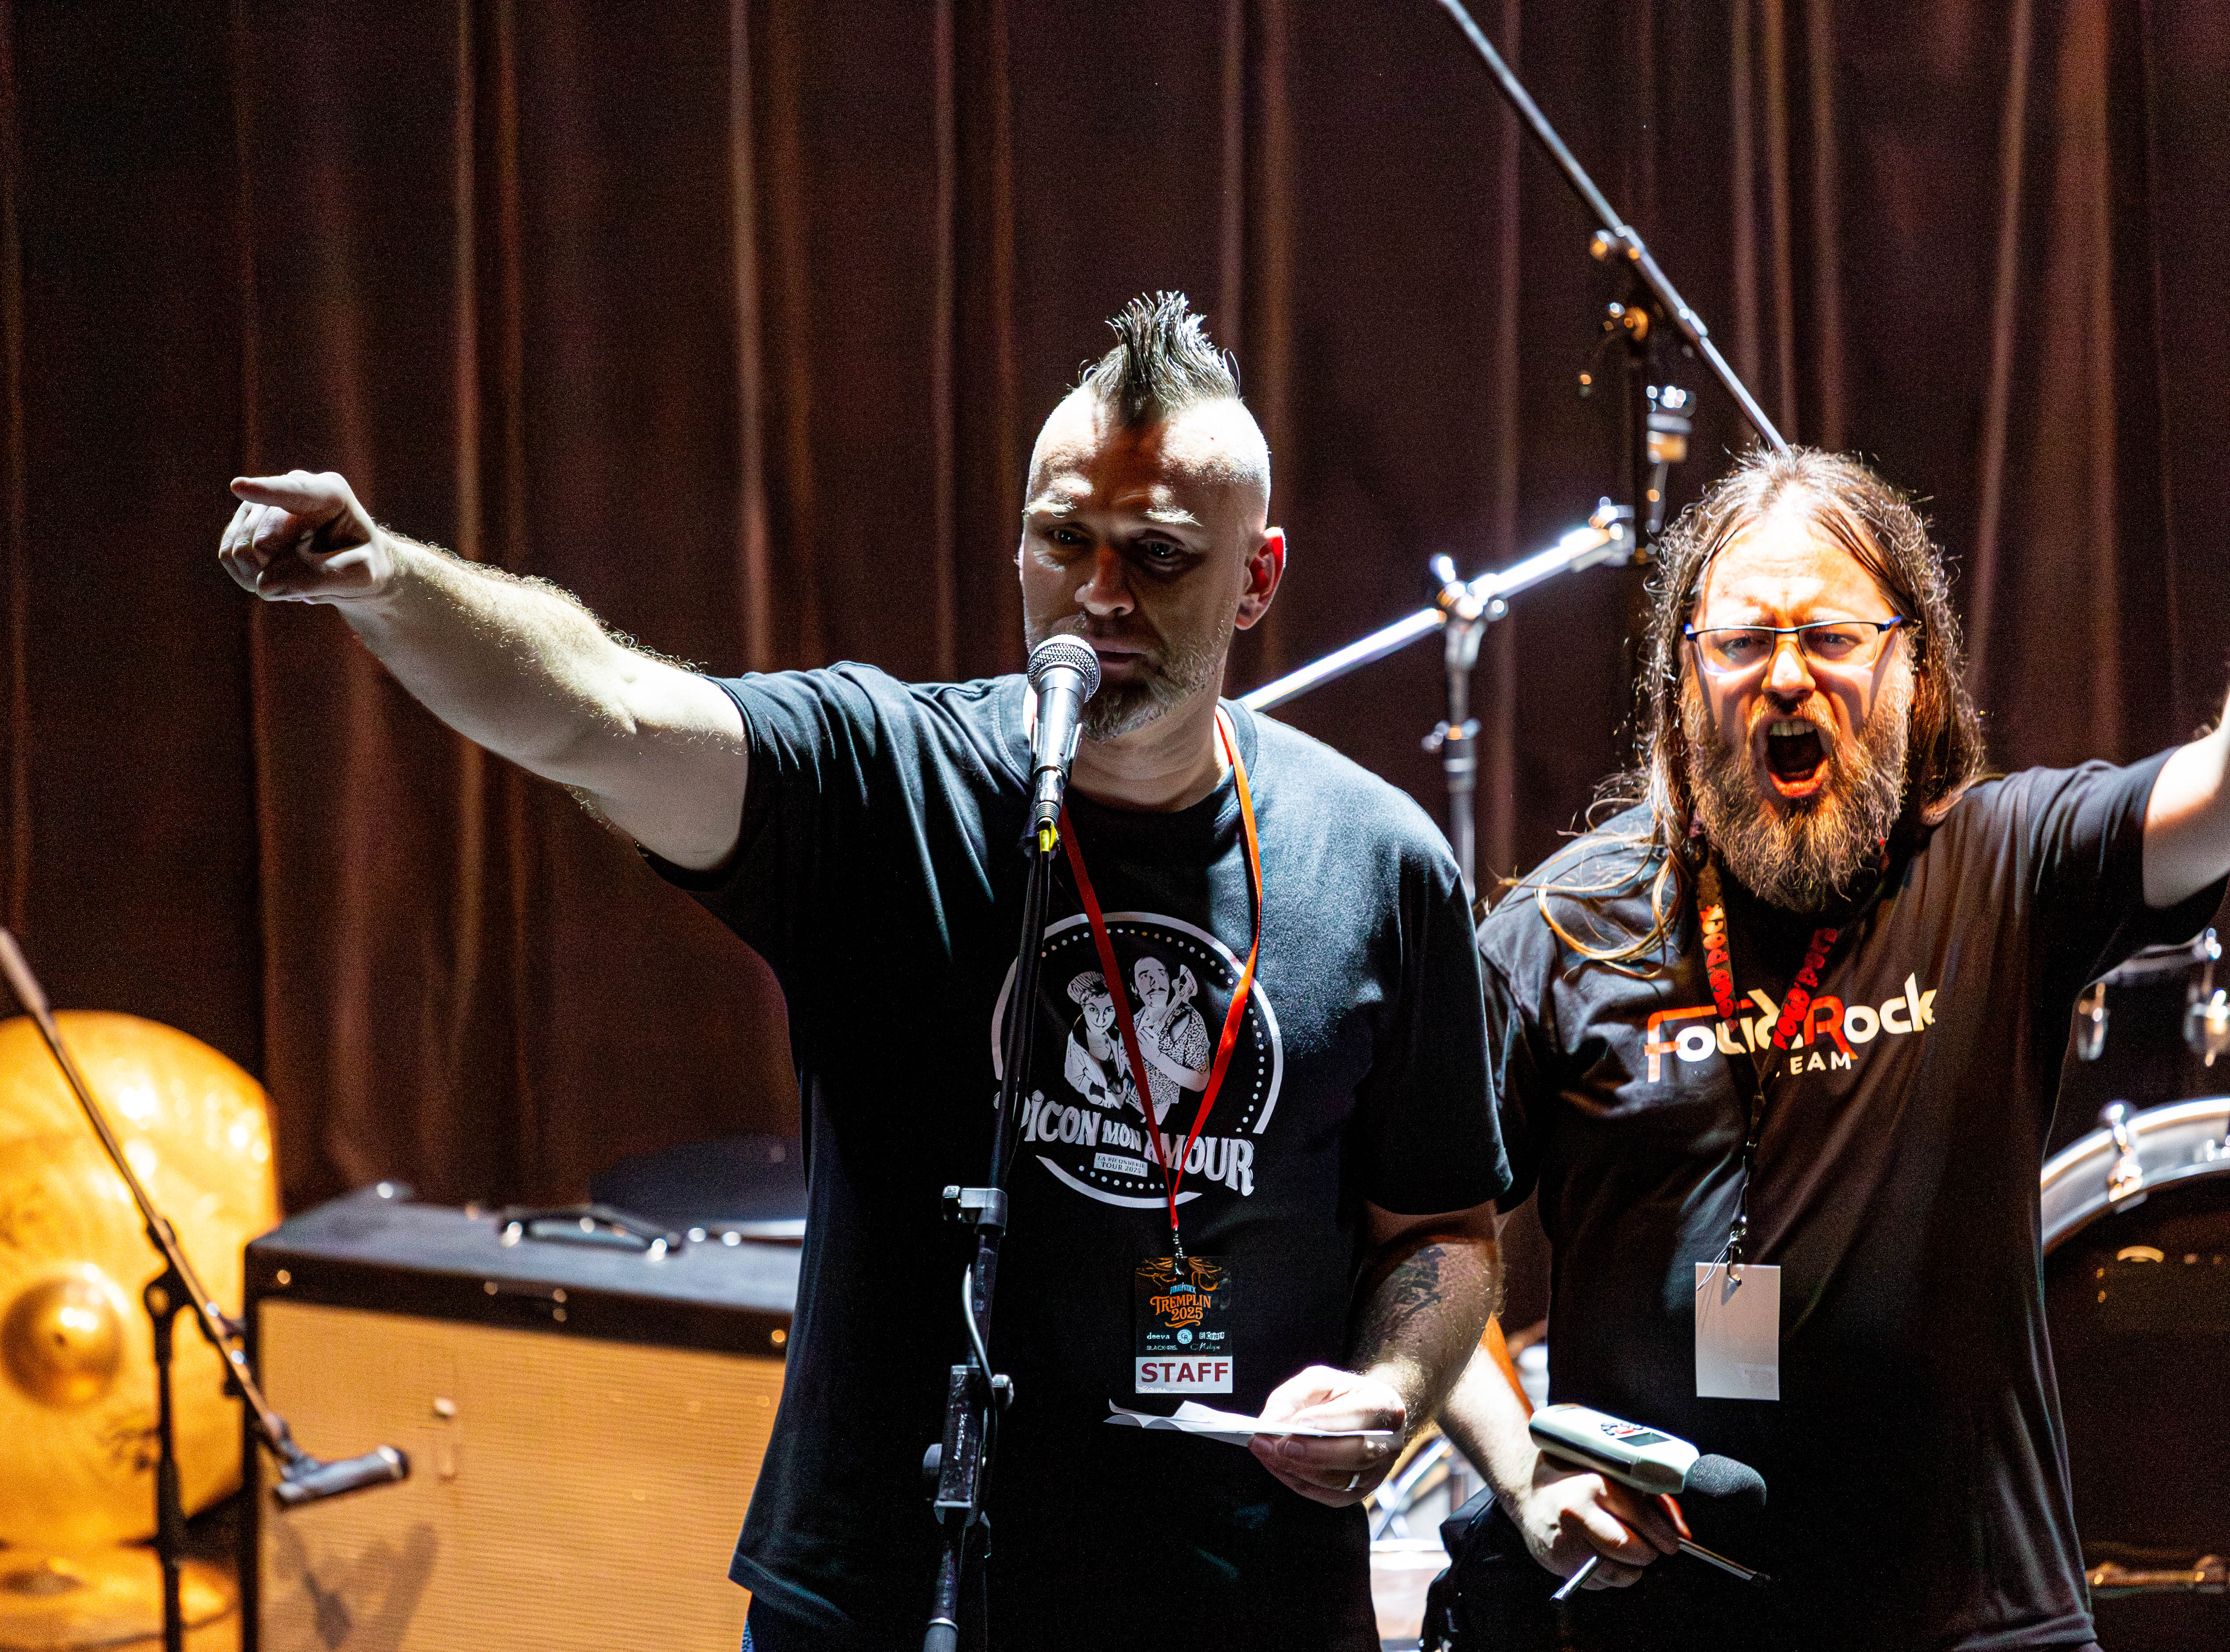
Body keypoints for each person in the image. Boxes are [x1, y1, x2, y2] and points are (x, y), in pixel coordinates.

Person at [217, 292, 1510, 1651]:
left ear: (1256, 577)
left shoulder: (1378, 860)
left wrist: (1391, 1388)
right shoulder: (885, 778)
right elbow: (601, 710)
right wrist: (390, 580)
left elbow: (1441, 1229)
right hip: (888, 1596)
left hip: (1241, 1607)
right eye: (1064, 540)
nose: (1101, 596)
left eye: (1160, 555)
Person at [1435, 336, 2230, 1649]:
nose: (1785, 675)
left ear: (1911, 670)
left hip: (1973, 1621)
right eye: (1741, 642)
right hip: (1651, 1623)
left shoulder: (2003, 863)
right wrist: (1522, 1472)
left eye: (1831, 637)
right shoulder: (1560, 930)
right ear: (1682, 679)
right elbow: (1417, 1233)